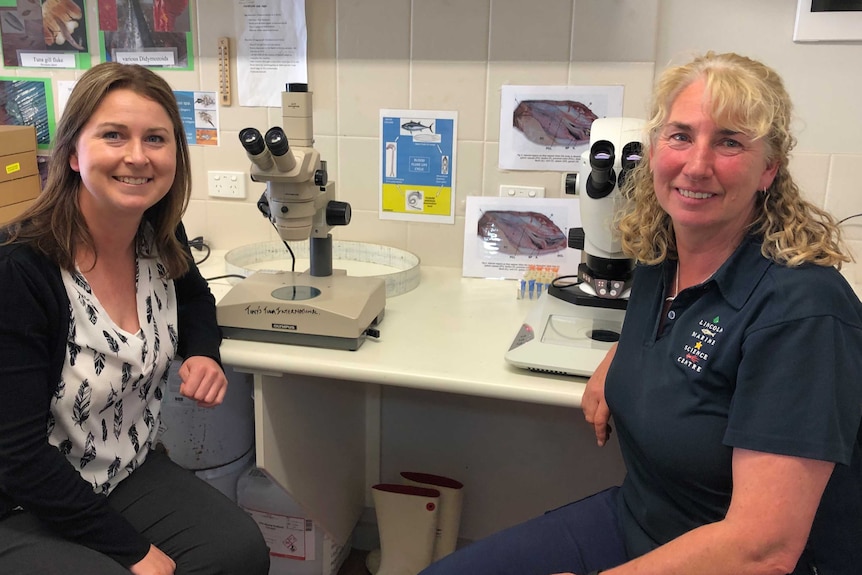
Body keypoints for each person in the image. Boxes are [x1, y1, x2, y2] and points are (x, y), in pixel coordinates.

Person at [420, 52, 862, 575]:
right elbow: (692, 342)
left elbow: (762, 549)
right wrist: (624, 357)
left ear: (769, 168)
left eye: (729, 142)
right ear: (653, 151)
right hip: (643, 524)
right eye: (680, 136)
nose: (696, 165)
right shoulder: (661, 259)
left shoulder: (804, 312)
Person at [0, 62, 270, 575]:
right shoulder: (20, 273)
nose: (137, 157)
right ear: (73, 153)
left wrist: (202, 353)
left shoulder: (155, 230)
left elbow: (193, 299)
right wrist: (133, 551)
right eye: (113, 135)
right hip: (20, 498)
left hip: (119, 470)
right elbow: (17, 457)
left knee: (235, 551)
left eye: (156, 139)